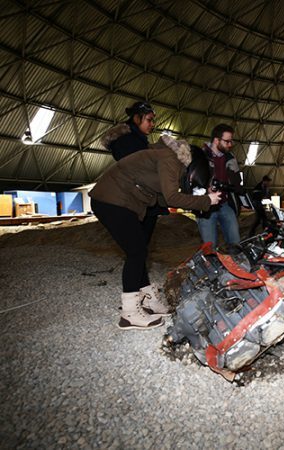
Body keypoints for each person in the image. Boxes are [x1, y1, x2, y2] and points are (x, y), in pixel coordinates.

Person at [89, 135, 222, 330]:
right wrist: (206, 201)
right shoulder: (171, 160)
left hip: (116, 201)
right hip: (112, 201)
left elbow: (161, 199)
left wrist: (197, 203)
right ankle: (129, 314)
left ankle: (148, 300)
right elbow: (171, 198)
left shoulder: (168, 158)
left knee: (139, 250)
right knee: (136, 252)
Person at [100, 101, 168, 256]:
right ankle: (137, 276)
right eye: (149, 120)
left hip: (144, 199)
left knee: (141, 245)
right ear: (137, 119)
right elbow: (139, 170)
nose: (152, 124)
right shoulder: (127, 142)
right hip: (136, 200)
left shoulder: (138, 140)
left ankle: (140, 275)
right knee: (138, 246)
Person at [197, 124, 243, 247]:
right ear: (216, 140)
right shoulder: (201, 156)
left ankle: (235, 265)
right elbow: (193, 183)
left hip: (225, 205)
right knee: (210, 247)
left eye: (231, 141)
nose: (230, 144)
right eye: (227, 141)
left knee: (235, 243)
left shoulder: (230, 157)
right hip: (207, 207)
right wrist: (205, 190)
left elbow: (237, 183)